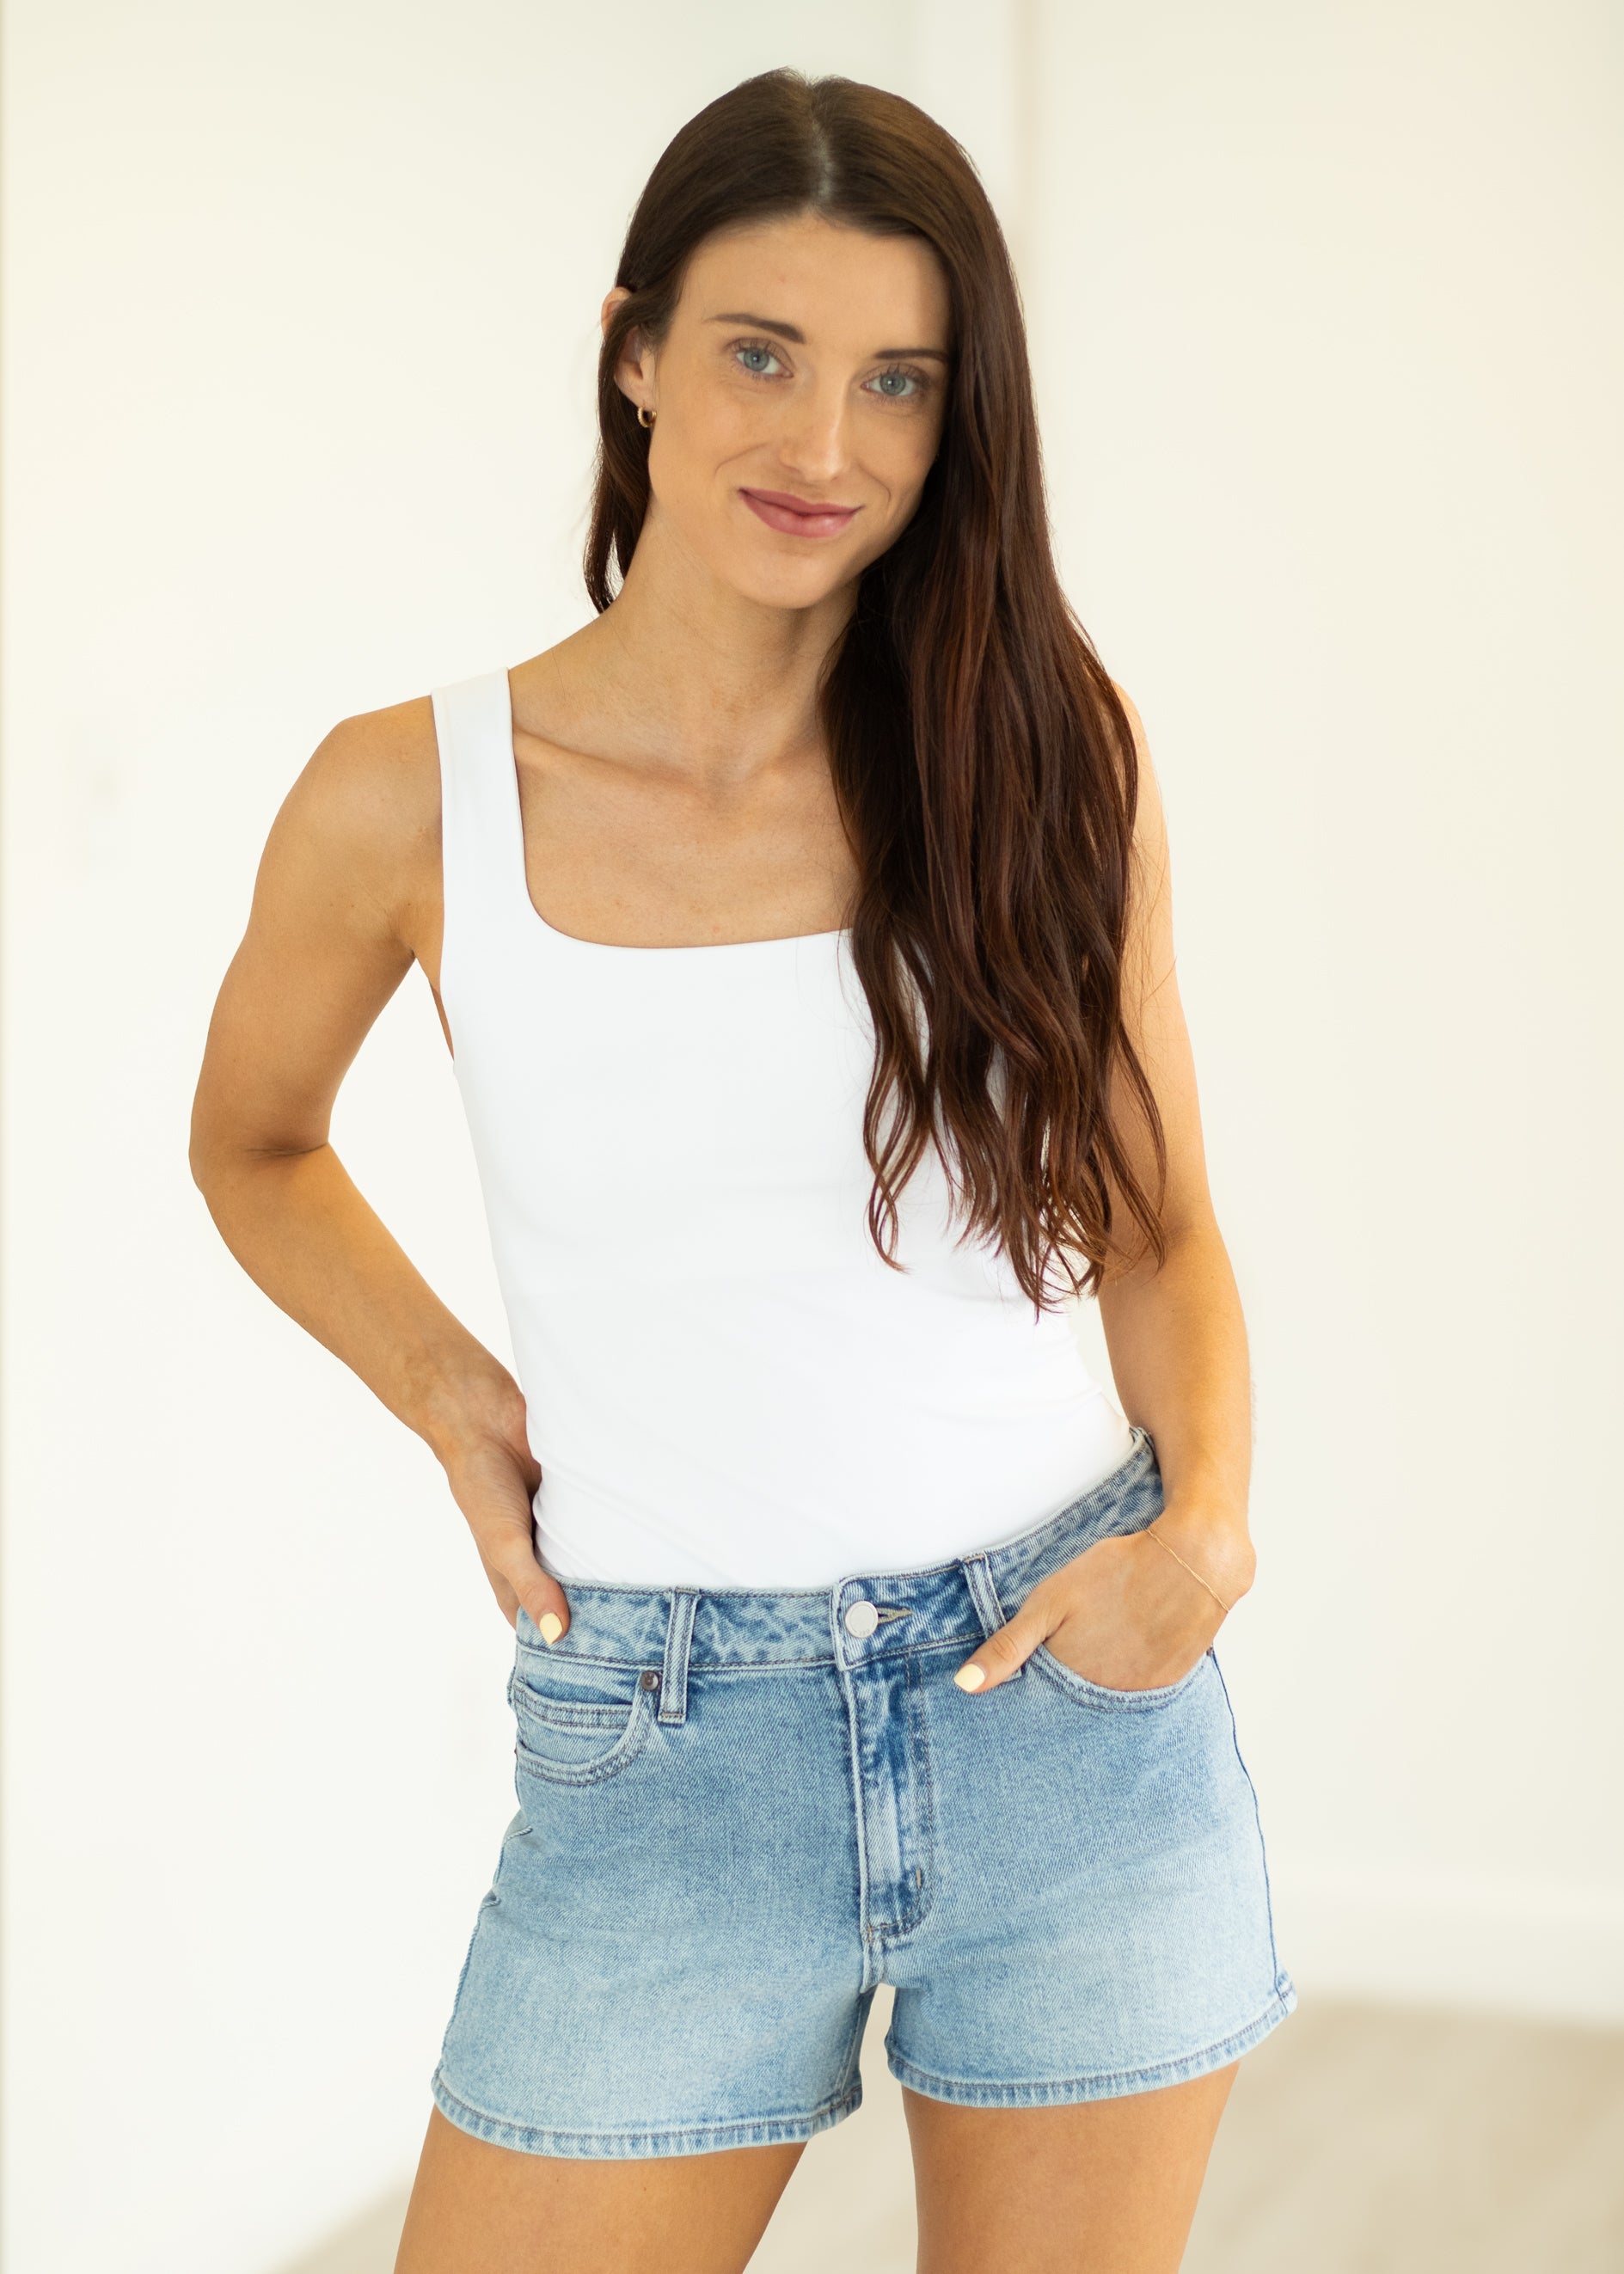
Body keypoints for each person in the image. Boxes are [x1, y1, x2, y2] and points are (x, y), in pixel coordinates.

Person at [189, 64, 1295, 2274]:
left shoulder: (1045, 748)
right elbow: (252, 1140)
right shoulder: (412, 798)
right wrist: (446, 1393)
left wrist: (1210, 1537)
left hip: (1068, 1704)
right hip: (669, 1748)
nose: (826, 448)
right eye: (760, 357)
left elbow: (1163, 1216)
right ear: (634, 354)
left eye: (899, 381)